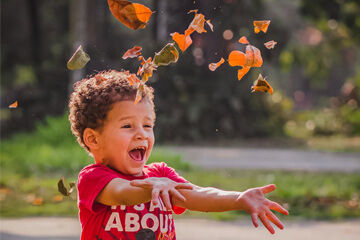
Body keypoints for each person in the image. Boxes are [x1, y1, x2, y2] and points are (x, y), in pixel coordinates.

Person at [68, 70, 289, 240]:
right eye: (127, 126)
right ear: (93, 139)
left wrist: (237, 199)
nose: (141, 135)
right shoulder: (93, 178)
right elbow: (122, 193)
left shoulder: (161, 174)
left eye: (147, 125)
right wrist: (153, 186)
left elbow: (197, 194)